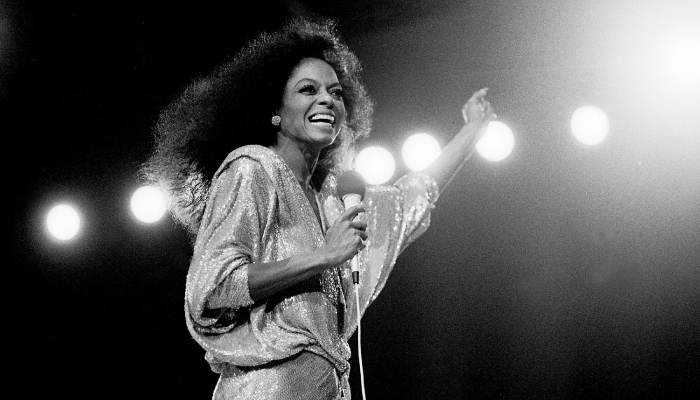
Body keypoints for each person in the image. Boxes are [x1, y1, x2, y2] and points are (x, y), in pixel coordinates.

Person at [143, 17, 495, 400]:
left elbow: (409, 198)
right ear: (275, 109)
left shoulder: (332, 198)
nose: (327, 99)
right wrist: (322, 256)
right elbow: (214, 286)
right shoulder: (253, 168)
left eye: (337, 93)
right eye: (308, 89)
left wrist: (472, 131)